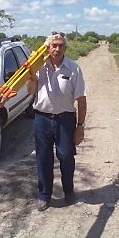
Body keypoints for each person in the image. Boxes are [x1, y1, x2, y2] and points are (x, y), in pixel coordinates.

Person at [27, 31, 87, 211]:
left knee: (67, 156)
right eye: (54, 45)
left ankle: (69, 191)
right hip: (42, 118)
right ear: (48, 47)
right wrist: (31, 72)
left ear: (65, 48)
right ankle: (44, 195)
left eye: (61, 45)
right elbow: (31, 91)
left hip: (65, 120)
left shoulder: (73, 68)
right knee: (43, 158)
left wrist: (80, 126)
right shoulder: (38, 66)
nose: (57, 48)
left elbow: (81, 99)